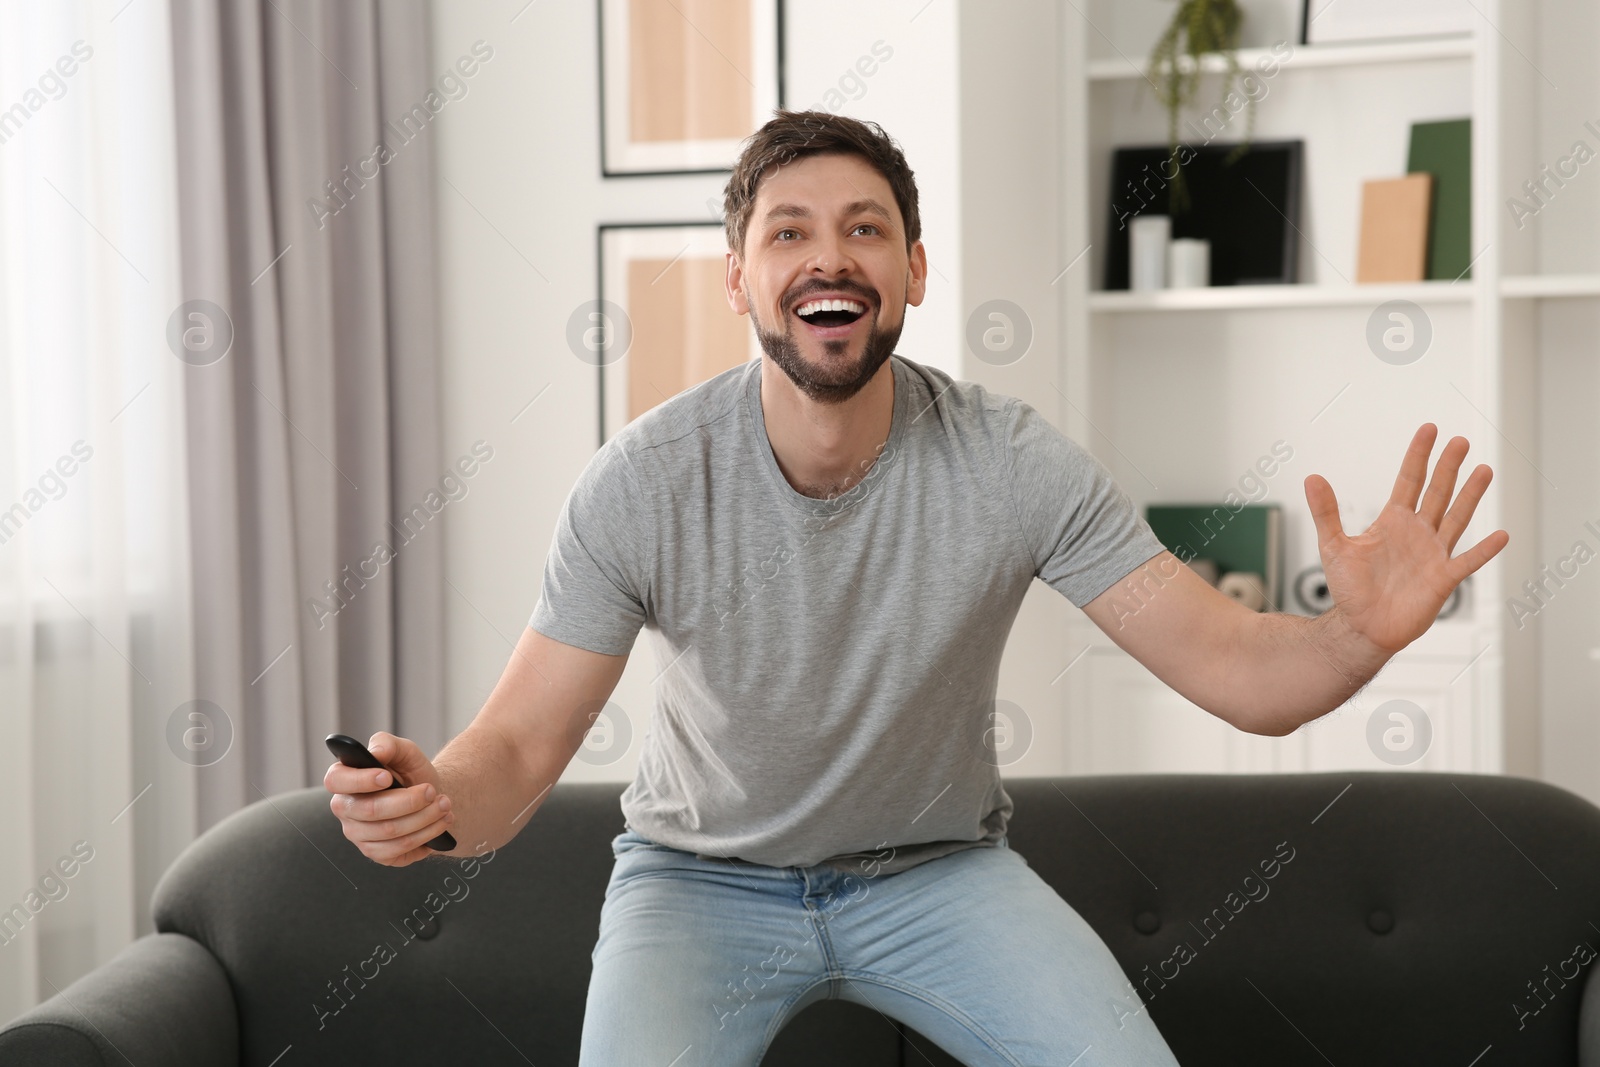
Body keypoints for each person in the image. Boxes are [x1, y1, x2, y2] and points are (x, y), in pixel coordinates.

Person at [325, 109, 1508, 1064]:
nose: (827, 255)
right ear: (737, 278)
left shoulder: (1012, 461)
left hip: (939, 874)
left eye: (864, 229)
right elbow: (517, 752)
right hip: (698, 885)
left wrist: (1354, 639)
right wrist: (429, 808)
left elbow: (1236, 669)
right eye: (787, 233)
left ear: (913, 269)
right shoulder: (641, 481)